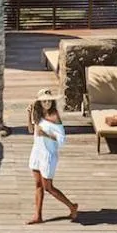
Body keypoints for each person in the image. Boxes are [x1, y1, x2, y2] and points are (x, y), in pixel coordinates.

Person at [27, 96, 77, 224]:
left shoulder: (54, 117)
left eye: (49, 100)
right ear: (40, 103)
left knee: (48, 187)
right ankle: (38, 216)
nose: (47, 103)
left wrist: (46, 134)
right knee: (38, 185)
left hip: (48, 155)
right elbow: (31, 130)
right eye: (44, 101)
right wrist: (29, 116)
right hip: (37, 152)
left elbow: (62, 139)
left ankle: (72, 206)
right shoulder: (37, 115)